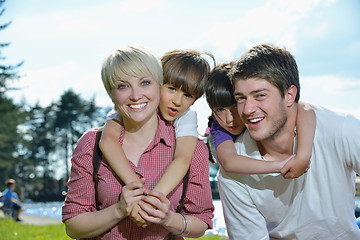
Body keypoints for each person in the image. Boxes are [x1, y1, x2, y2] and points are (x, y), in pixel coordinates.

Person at [62, 46, 214, 239]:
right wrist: (118, 210)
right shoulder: (92, 143)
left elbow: (201, 222)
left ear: (156, 83)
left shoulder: (192, 146)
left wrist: (167, 218)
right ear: (111, 94)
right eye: (122, 86)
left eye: (144, 83)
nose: (135, 95)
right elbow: (73, 227)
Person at [217, 43, 360, 239]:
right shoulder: (234, 170)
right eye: (241, 98)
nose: (248, 109)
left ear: (289, 95)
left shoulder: (342, 128)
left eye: (260, 95)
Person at [99, 49, 214, 226]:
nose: (177, 101)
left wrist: (150, 203)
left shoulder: (186, 117)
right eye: (172, 89)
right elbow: (107, 141)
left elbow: (183, 159)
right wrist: (137, 188)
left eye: (188, 95)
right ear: (156, 83)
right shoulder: (133, 107)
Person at [206, 62, 314, 177]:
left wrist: (303, 157)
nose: (229, 119)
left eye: (236, 106)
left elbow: (304, 108)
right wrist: (281, 165)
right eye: (219, 110)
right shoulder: (219, 127)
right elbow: (229, 162)